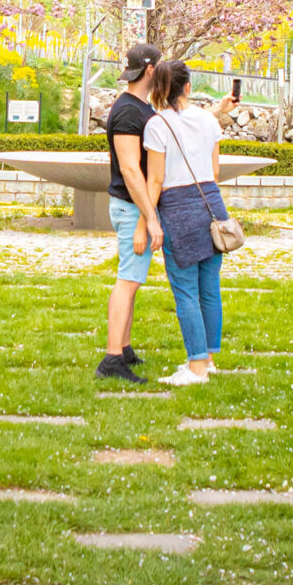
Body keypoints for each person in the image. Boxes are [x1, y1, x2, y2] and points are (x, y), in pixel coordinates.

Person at [140, 58, 237, 387]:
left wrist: (146, 223)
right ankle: (207, 359)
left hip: (178, 208)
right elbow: (215, 172)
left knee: (185, 292)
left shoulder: (157, 125)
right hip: (212, 205)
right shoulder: (208, 121)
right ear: (188, 87)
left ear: (158, 90)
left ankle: (195, 368)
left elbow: (155, 181)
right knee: (209, 289)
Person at [96, 43, 162, 384]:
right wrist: (149, 218)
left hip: (131, 205)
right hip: (129, 205)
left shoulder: (139, 106)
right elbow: (131, 170)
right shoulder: (127, 112)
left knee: (132, 280)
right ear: (150, 70)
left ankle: (124, 348)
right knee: (128, 280)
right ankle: (111, 358)